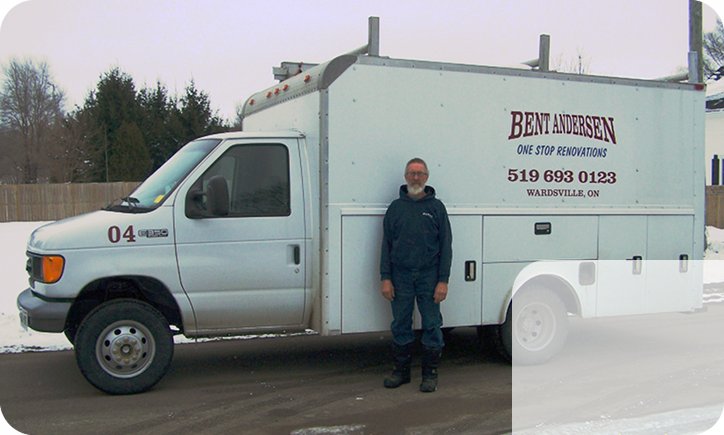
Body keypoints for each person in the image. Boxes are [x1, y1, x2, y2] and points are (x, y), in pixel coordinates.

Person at [379, 157, 453, 393]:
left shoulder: (436, 208)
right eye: (412, 173)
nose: (416, 177)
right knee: (401, 324)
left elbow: (446, 247)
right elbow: (385, 246)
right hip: (400, 276)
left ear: (427, 177)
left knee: (431, 325)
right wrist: (385, 277)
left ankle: (430, 374)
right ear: (405, 177)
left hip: (428, 277)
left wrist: (443, 280)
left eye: (420, 173)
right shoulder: (395, 208)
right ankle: (401, 372)